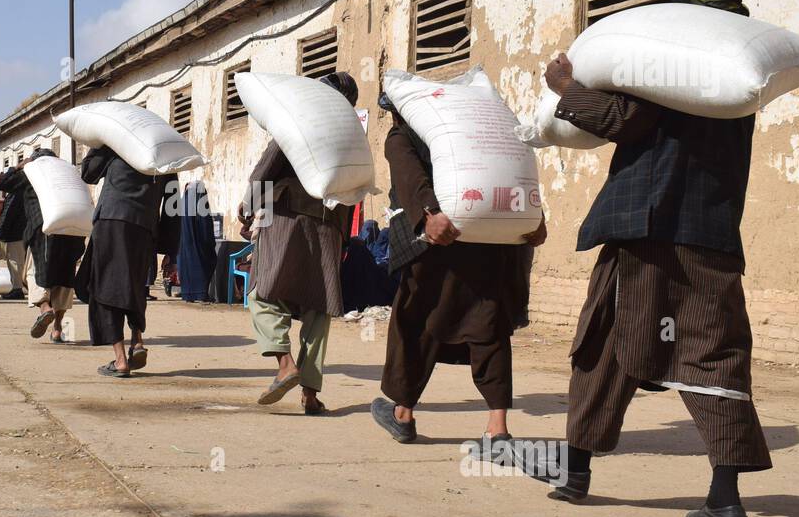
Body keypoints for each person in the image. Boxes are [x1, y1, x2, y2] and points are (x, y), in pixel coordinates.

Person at [533, 0, 771, 517]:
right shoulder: (734, 87)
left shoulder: (666, 64)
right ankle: (727, 502)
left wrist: (565, 87)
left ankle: (576, 471)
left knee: (603, 343)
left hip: (644, 227)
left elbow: (624, 121)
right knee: (715, 355)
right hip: (710, 236)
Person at [369, 94, 546, 448]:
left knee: (417, 323)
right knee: (488, 327)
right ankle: (497, 428)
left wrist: (428, 214)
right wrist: (534, 216)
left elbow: (410, 178)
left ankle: (402, 413)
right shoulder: (471, 131)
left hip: (438, 241)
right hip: (487, 244)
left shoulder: (402, 136)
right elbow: (514, 170)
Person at [238, 72, 358, 414]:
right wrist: (343, 237)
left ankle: (285, 363)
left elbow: (265, 171)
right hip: (330, 227)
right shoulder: (351, 135)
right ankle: (310, 394)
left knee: (263, 295)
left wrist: (248, 208)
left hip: (287, 216)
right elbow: (353, 186)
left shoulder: (299, 116)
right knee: (318, 309)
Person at [74, 143, 177, 377]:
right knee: (134, 286)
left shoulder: (117, 144)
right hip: (145, 227)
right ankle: (137, 341)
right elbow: (173, 203)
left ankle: (120, 360)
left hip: (111, 220)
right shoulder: (165, 151)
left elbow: (88, 173)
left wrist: (100, 144)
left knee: (106, 286)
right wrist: (171, 248)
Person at [0, 150, 85, 341]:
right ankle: (57, 329)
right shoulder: (68, 172)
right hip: (73, 229)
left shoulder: (32, 172)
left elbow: (3, 184)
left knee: (35, 272)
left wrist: (19, 166)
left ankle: (45, 309)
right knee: (64, 277)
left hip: (43, 228)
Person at [177, 181, 217, 302]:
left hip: (183, 246)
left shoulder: (182, 204)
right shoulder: (200, 202)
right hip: (198, 244)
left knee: (186, 264)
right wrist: (210, 242)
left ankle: (188, 294)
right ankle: (200, 293)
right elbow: (205, 226)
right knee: (208, 259)